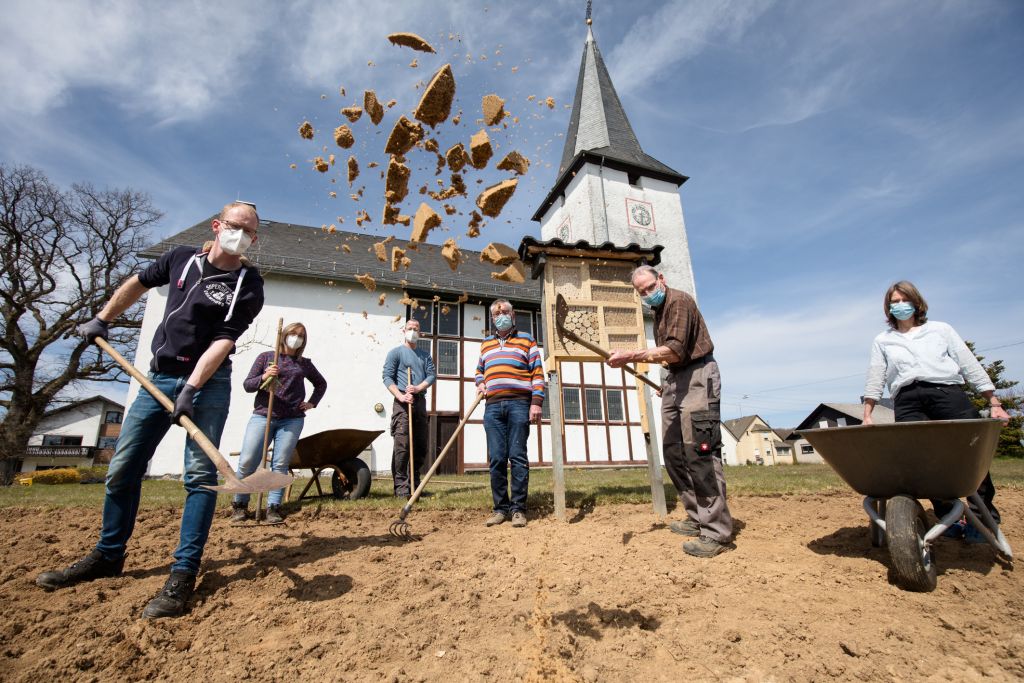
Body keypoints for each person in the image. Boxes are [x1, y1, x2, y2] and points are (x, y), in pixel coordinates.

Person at [36, 202, 265, 619]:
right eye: (236, 226)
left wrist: (192, 388)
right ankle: (108, 554)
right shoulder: (180, 259)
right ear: (218, 226)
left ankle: (183, 572)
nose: (242, 235)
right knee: (123, 467)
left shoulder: (249, 284)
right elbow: (138, 282)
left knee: (200, 478)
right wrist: (102, 318)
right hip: (155, 379)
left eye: (250, 232)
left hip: (208, 383)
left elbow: (224, 340)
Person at [863, 280, 1010, 540]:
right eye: (894, 302)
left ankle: (982, 516)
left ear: (916, 302)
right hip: (908, 399)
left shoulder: (940, 330)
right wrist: (867, 413)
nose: (900, 306)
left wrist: (993, 401)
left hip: (946, 393)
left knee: (970, 454)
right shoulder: (883, 340)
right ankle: (947, 516)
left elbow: (967, 363)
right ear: (887, 308)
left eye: (904, 300)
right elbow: (876, 376)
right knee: (925, 460)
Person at [607, 265, 733, 558]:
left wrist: (632, 354)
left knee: (700, 452)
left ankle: (716, 531)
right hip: (676, 378)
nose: (648, 294)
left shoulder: (679, 300)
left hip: (699, 375)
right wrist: (669, 384)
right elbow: (672, 358)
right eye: (641, 292)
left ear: (661, 280)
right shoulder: (659, 311)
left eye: (650, 287)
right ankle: (697, 516)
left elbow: (675, 349)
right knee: (674, 452)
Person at [232, 322, 327, 524]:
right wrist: (265, 376)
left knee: (280, 463)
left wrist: (311, 403)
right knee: (248, 460)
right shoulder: (267, 358)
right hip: (263, 415)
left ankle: (273, 507)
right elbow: (248, 385)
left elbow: (321, 383)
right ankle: (240, 505)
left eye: (301, 336)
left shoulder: (303, 363)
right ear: (284, 335)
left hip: (292, 419)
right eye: (293, 334)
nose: (296, 338)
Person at [475, 299, 544, 528]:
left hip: (519, 405)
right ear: (492, 318)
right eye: (496, 313)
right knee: (496, 458)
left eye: (505, 311)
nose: (500, 315)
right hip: (493, 406)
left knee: (517, 457)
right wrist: (480, 383)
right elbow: (479, 371)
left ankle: (518, 509)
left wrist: (536, 403)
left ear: (513, 316)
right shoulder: (485, 344)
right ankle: (500, 508)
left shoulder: (527, 340)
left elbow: (537, 373)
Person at [382, 319, 436, 497]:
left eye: (416, 329)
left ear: (420, 333)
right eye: (410, 328)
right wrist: (401, 395)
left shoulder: (425, 355)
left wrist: (419, 388)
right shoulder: (395, 353)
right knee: (402, 445)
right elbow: (387, 378)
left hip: (419, 402)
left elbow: (431, 376)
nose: (413, 331)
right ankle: (401, 488)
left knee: (420, 446)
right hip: (402, 403)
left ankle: (415, 486)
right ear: (403, 330)